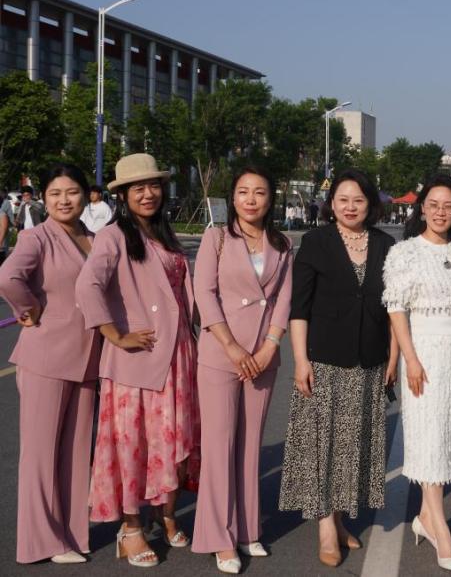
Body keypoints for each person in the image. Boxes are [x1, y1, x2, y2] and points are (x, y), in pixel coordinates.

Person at [75, 153, 200, 568]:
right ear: (123, 195)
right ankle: (130, 528)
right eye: (138, 188)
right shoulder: (113, 236)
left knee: (169, 440)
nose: (148, 194)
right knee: (133, 446)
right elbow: (88, 285)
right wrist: (114, 334)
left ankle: (165, 513)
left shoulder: (165, 233)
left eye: (154, 186)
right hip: (137, 361)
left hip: (178, 356)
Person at [279, 169, 396, 568]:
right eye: (342, 200)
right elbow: (299, 308)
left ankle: (342, 519)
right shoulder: (317, 242)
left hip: (369, 360)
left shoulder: (385, 244)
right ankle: (326, 526)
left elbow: (394, 306)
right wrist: (300, 360)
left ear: (370, 205)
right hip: (325, 360)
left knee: (352, 445)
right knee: (323, 445)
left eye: (358, 200)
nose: (350, 207)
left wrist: (393, 357)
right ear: (331, 204)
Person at [192, 165, 293, 573]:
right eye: (243, 192)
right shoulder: (216, 238)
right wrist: (232, 346)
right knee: (219, 446)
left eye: (260, 192)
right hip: (221, 353)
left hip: (263, 357)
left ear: (271, 199)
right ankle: (219, 536)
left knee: (250, 445)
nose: (251, 199)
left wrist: (270, 345)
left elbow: (284, 299)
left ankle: (248, 527)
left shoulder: (282, 244)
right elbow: (204, 293)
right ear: (233, 198)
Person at [0, 164, 101, 565]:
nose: (64, 200)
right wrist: (29, 309)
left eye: (72, 192)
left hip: (88, 359)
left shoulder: (95, 238)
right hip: (46, 356)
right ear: (44, 197)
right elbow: (8, 277)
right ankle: (40, 541)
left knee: (76, 453)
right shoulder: (36, 237)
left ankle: (70, 533)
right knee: (40, 455)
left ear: (85, 195)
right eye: (55, 193)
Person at [383, 173, 451, 572]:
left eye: (448, 206)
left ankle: (423, 516)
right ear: (421, 209)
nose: (440, 212)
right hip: (423, 352)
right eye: (433, 205)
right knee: (428, 435)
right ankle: (439, 524)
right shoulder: (405, 252)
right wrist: (411, 358)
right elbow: (396, 308)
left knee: (448, 433)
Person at [0, 188, 14, 264]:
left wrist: (13, 222)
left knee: (3, 254)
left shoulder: (2, 213)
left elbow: (3, 228)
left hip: (1, 243)